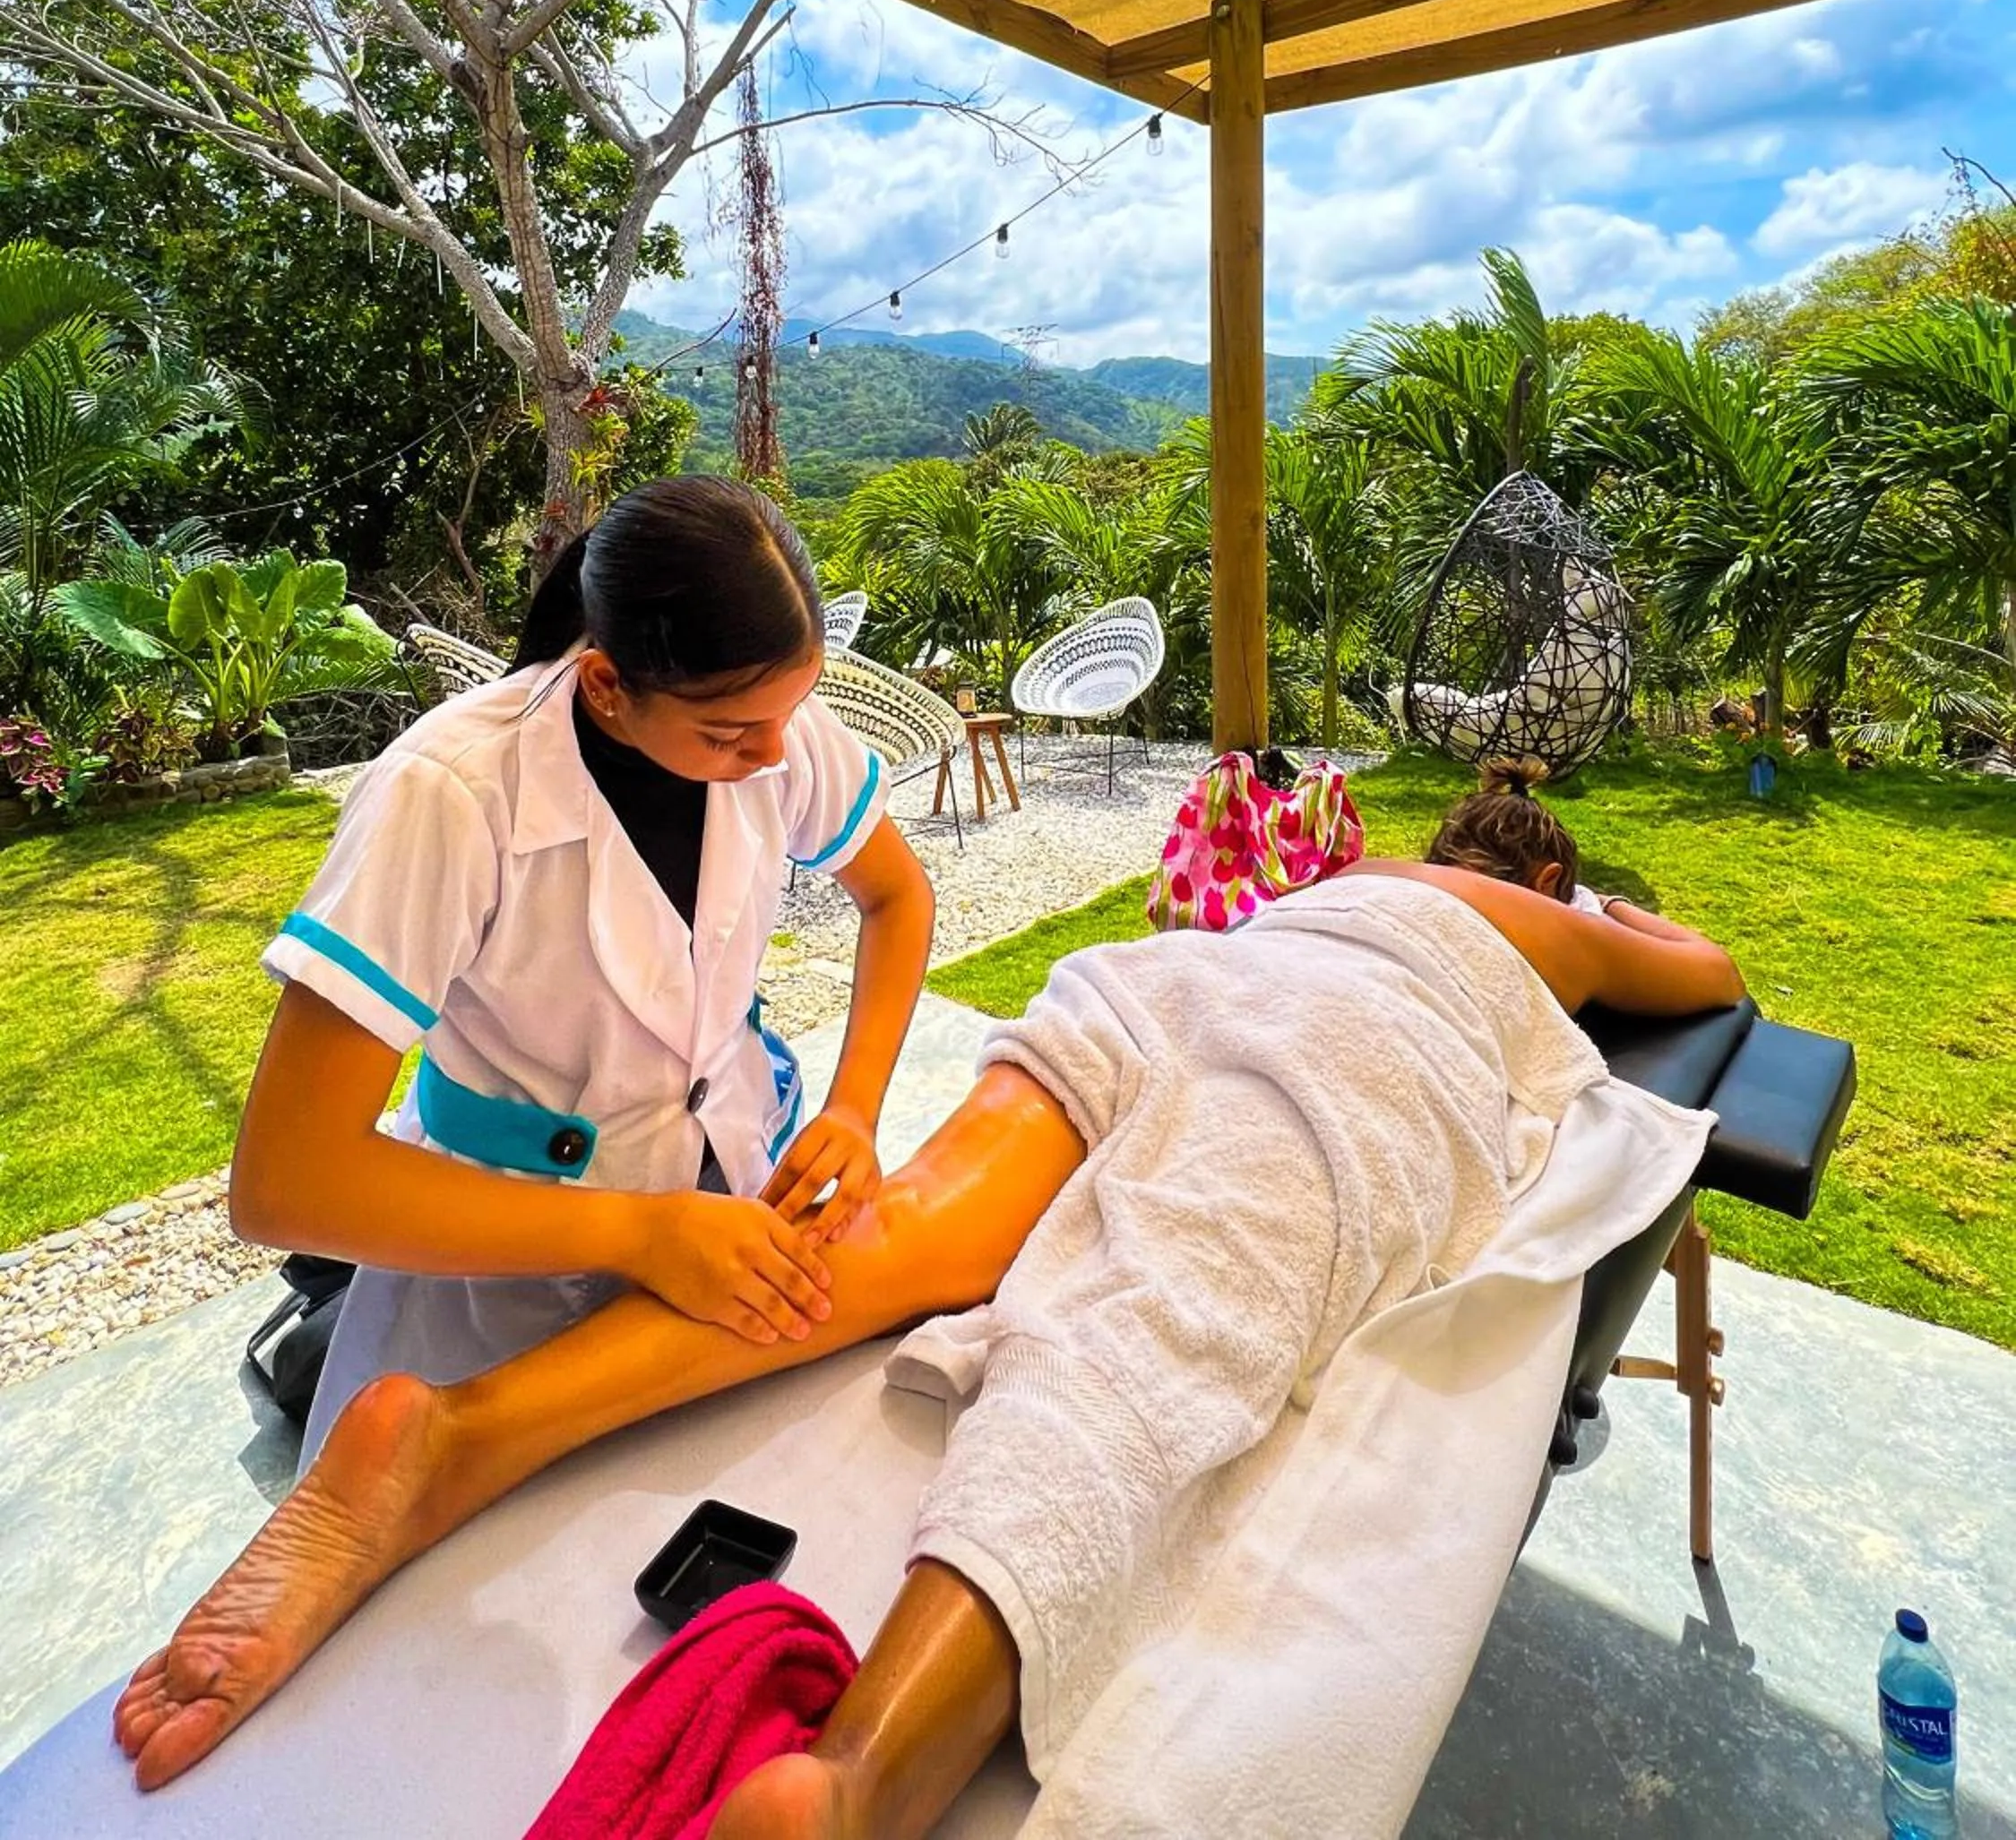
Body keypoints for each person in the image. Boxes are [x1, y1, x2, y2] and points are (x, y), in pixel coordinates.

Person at [115, 854, 1742, 1810]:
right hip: (1350, 1045)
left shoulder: (1332, 881)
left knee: (890, 1243)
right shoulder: (1530, 920)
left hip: (1160, 984)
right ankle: (857, 1782)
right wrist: (1594, 915)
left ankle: (458, 1433)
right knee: (1158, 1329)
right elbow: (1709, 974)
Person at [232, 475, 935, 1467]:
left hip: (733, 1191)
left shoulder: (771, 725)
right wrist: (638, 1235)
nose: (776, 754)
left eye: (792, 712)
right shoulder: (450, 796)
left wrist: (856, 1112)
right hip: (505, 1265)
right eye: (731, 735)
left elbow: (899, 900)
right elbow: (287, 1181)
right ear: (607, 685)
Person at [1427, 755, 1720, 955]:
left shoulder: (1582, 937)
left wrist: (1606, 904)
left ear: (1547, 881)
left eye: (1475, 899)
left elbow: (1708, 965)